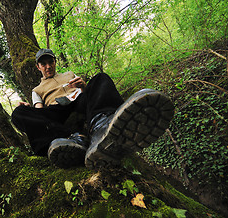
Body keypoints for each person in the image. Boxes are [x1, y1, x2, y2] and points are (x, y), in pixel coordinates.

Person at [12, 49, 174, 170]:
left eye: (51, 62)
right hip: (57, 113)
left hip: (79, 102)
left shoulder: (68, 74)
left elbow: (89, 93)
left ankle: (102, 126)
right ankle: (67, 140)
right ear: (38, 66)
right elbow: (40, 111)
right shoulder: (36, 90)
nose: (48, 66)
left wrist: (83, 86)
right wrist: (29, 109)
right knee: (18, 113)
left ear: (55, 62)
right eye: (44, 64)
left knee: (100, 78)